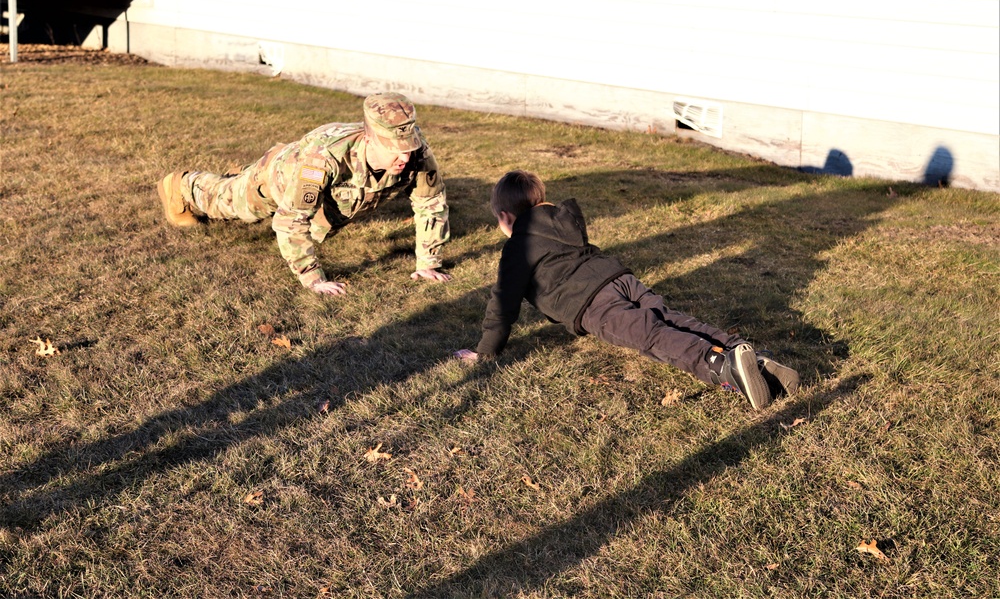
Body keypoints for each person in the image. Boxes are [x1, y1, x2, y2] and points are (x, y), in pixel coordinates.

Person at [453, 170, 799, 410]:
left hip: (589, 303)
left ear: (504, 217)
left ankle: (722, 366)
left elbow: (503, 303)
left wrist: (484, 353)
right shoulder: (560, 224)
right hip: (619, 277)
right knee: (667, 317)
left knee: (651, 335)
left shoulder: (517, 246)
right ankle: (746, 353)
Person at [156, 92, 450, 295]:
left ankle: (239, 174)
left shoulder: (416, 151)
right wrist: (312, 279)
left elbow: (431, 204)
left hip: (316, 186)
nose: (404, 157)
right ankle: (181, 184)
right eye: (394, 149)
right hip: (280, 177)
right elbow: (291, 219)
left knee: (314, 221)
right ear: (369, 138)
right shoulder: (323, 159)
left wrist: (428, 263)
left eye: (407, 147)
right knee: (230, 204)